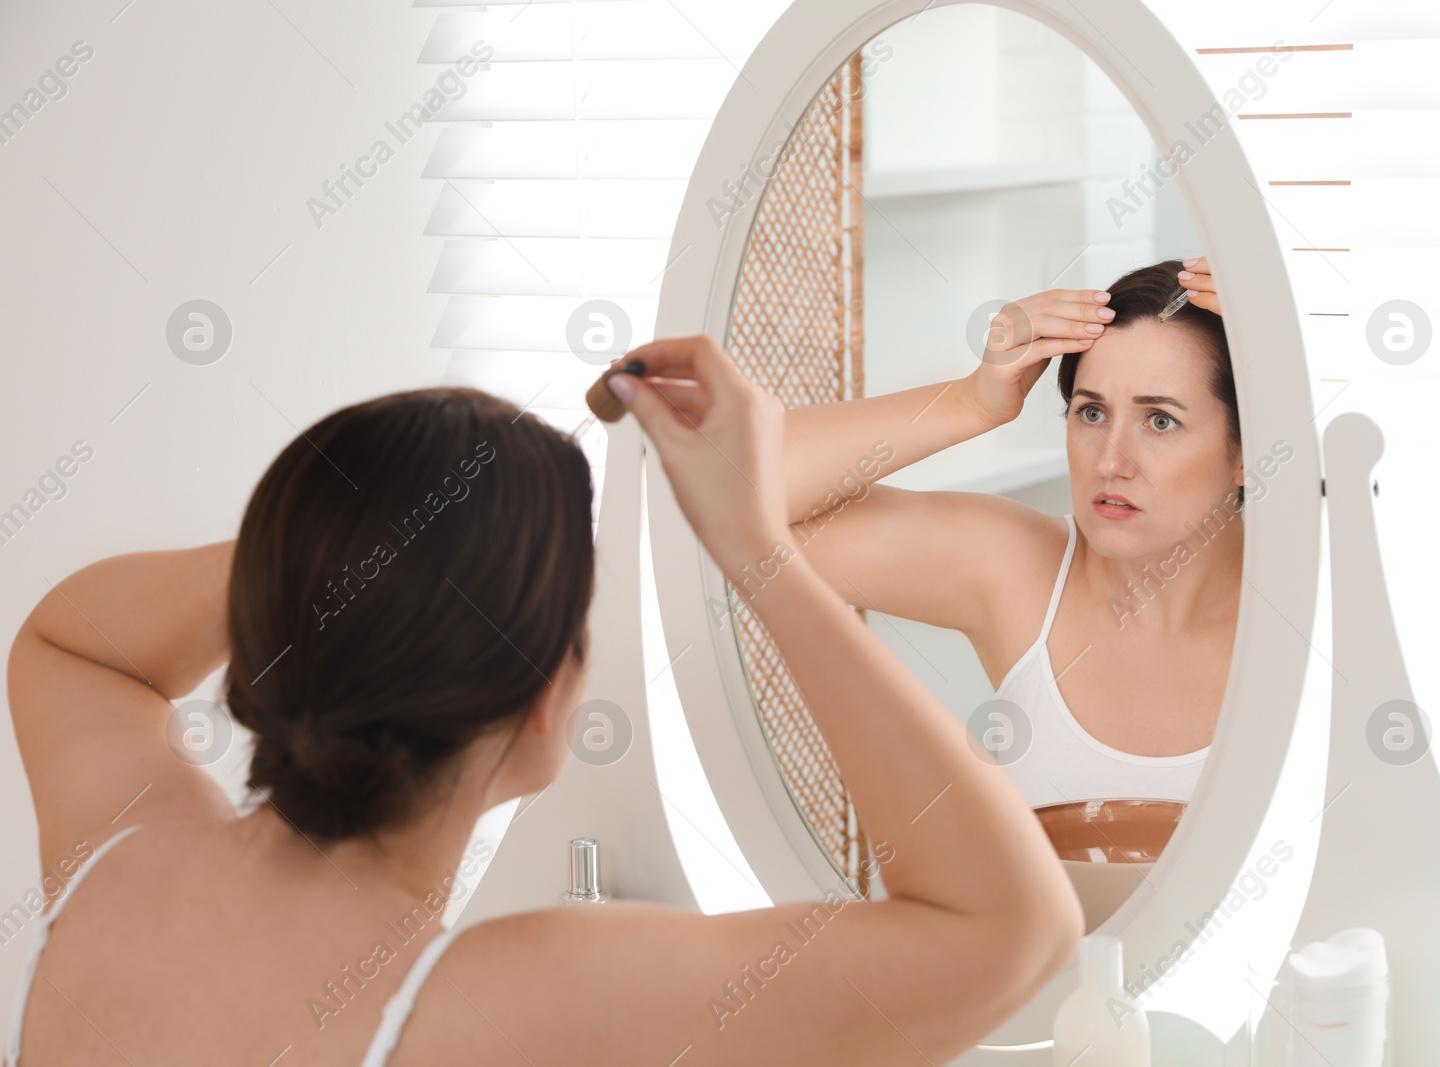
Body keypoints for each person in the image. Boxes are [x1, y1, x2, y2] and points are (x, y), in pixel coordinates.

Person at [4, 336, 1082, 1066]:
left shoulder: (115, 861)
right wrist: (753, 547)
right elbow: (1012, 931)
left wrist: (343, 554)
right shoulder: (492, 1003)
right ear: (544, 700)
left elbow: (71, 644)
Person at [777, 257, 1247, 808]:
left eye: (1160, 420)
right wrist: (970, 400)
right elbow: (732, 488)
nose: (1110, 462)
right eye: (1091, 413)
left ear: (1247, 450)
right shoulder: (1019, 572)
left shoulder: (1319, 610)